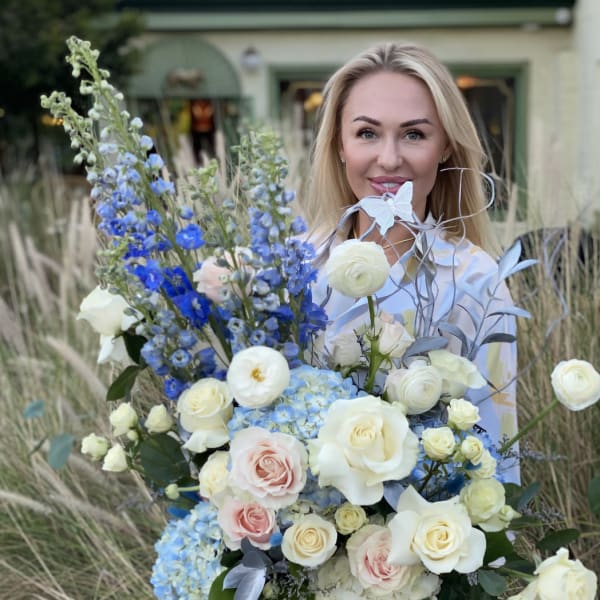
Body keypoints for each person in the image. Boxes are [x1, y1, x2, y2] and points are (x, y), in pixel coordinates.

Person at [300, 42, 519, 482]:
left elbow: (497, 456)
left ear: (445, 147)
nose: (389, 159)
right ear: (339, 144)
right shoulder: (292, 269)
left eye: (414, 134)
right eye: (367, 133)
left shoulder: (477, 280)